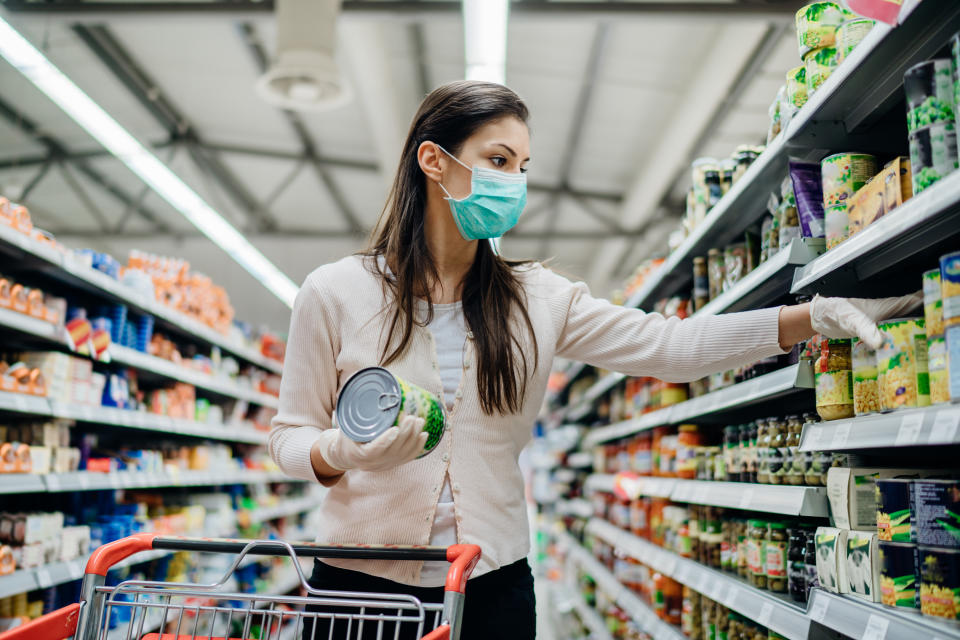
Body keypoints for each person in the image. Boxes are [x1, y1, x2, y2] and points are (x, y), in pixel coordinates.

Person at [269, 81, 919, 640]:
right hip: (359, 586)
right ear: (433, 161)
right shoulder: (334, 292)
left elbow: (672, 347)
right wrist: (341, 453)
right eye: (498, 159)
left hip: (491, 585)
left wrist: (811, 315)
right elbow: (288, 436)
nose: (515, 183)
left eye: (522, 166)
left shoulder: (537, 298)